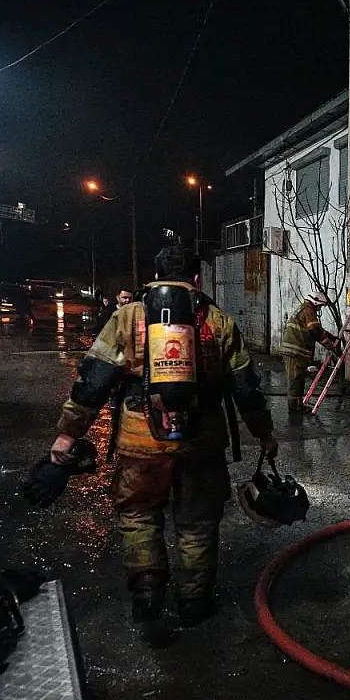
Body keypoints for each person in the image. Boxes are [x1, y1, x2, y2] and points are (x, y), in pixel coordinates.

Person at [41, 245, 276, 627]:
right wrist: (264, 434)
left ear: (154, 276)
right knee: (197, 525)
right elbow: (245, 387)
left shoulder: (127, 317)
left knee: (138, 515)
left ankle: (148, 590)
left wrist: (67, 435)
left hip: (140, 443)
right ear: (197, 279)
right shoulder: (218, 321)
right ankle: (193, 603)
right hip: (201, 443)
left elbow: (94, 380)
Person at [277, 290, 339, 414]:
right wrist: (333, 348)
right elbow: (315, 333)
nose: (319, 308)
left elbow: (317, 329)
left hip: (296, 352)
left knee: (299, 379)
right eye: (320, 306)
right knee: (295, 380)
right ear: (315, 302)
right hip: (294, 352)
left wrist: (331, 336)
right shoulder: (308, 311)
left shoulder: (305, 309)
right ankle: (294, 409)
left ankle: (298, 405)